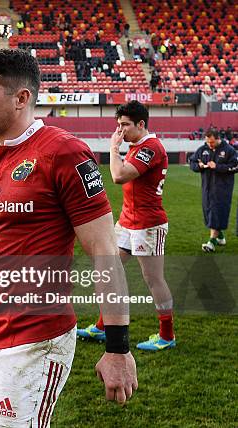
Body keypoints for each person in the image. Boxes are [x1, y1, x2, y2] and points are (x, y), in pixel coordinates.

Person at [0, 49, 137, 428]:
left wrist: (117, 347)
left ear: (21, 99)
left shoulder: (64, 152)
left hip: (38, 338)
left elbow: (104, 250)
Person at [78, 100, 177, 352]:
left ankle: (167, 335)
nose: (120, 131)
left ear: (141, 124)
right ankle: (102, 326)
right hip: (127, 221)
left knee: (153, 279)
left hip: (148, 223)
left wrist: (113, 149)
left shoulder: (150, 147)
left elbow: (118, 176)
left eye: (124, 125)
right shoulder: (137, 145)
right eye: (118, 126)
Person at [189, 129, 238, 251]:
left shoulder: (229, 150)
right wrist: (198, 166)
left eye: (212, 142)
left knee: (216, 211)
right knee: (209, 211)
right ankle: (220, 236)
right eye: (207, 142)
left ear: (218, 139)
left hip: (223, 188)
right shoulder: (203, 149)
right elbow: (192, 162)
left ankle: (211, 242)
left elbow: (235, 166)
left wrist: (218, 167)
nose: (209, 145)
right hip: (207, 187)